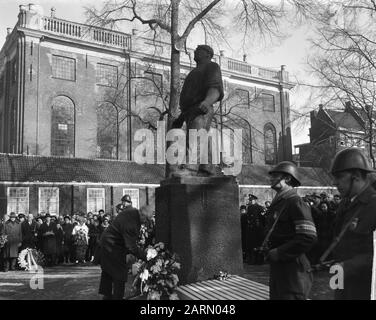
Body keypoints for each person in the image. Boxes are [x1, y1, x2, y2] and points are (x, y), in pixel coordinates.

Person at [329, 148, 376, 300]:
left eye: (340, 177)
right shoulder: (346, 204)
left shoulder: (373, 204)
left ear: (355, 176)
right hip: (342, 279)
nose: (335, 182)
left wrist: (347, 267)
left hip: (365, 288)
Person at [266, 161, 317, 300]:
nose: (270, 178)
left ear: (287, 178)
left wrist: (280, 252)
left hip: (293, 271)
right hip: (280, 268)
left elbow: (308, 236)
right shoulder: (280, 202)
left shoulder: (295, 202)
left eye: (275, 175)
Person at [173, 44, 224, 176]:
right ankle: (207, 167)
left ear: (207, 54)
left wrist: (207, 101)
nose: (195, 52)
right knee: (198, 137)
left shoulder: (212, 67)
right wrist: (181, 117)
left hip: (201, 109)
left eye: (199, 50)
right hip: (190, 111)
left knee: (195, 137)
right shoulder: (193, 72)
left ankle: (191, 168)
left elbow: (215, 88)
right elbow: (187, 99)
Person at [98, 194, 144, 300]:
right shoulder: (130, 221)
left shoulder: (128, 215)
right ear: (141, 215)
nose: (145, 221)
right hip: (112, 247)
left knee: (109, 271)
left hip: (109, 245)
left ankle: (107, 296)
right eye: (145, 218)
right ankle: (117, 297)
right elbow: (130, 246)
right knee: (119, 273)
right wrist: (145, 256)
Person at [245, 194, 266, 264]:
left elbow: (263, 219)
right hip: (251, 229)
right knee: (252, 245)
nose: (250, 201)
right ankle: (252, 260)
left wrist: (261, 226)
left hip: (258, 228)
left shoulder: (260, 208)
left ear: (255, 200)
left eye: (251, 200)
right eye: (250, 200)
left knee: (259, 244)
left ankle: (259, 260)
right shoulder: (249, 208)